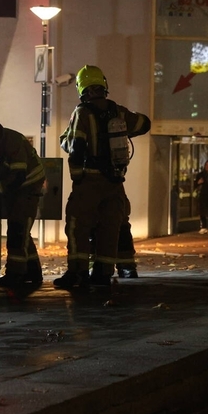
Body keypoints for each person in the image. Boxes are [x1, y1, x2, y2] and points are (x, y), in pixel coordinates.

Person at [55, 65, 150, 290]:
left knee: (78, 225)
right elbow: (144, 124)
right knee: (110, 227)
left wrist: (77, 178)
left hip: (90, 181)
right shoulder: (117, 111)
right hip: (115, 182)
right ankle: (103, 274)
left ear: (81, 88)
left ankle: (76, 273)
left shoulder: (82, 112)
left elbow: (77, 146)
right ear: (103, 84)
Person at [0, 117, 46, 288]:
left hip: (29, 186)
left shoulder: (13, 141)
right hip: (14, 189)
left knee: (17, 231)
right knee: (21, 231)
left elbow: (18, 176)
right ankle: (33, 271)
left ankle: (15, 274)